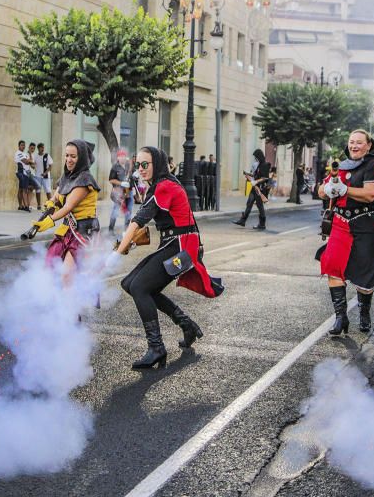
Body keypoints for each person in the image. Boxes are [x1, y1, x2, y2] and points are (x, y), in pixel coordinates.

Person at [114, 146, 223, 369]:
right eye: (139, 164)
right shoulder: (160, 184)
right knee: (130, 283)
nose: (141, 169)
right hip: (173, 243)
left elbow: (139, 220)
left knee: (140, 287)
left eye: (146, 164)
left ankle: (156, 348)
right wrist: (130, 242)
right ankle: (187, 325)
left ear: (157, 164)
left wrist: (116, 254)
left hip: (181, 248)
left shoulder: (164, 186)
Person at [317, 129, 374, 335]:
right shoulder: (340, 166)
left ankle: (364, 311)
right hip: (341, 223)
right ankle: (340, 318)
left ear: (368, 145)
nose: (354, 146)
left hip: (367, 225)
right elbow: (321, 190)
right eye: (351, 142)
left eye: (359, 142)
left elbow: (370, 194)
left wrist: (345, 190)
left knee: (365, 278)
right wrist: (329, 188)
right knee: (332, 265)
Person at [32, 139, 101, 286]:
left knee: (67, 275)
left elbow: (68, 207)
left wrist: (49, 220)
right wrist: (51, 203)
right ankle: (58, 304)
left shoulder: (85, 179)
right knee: (50, 268)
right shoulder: (67, 176)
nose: (69, 160)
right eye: (67, 155)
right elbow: (57, 197)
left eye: (73, 156)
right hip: (67, 229)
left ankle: (71, 308)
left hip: (82, 231)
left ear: (81, 158)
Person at [233, 149, 271, 230]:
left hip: (260, 189)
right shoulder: (259, 165)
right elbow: (256, 175)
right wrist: (248, 174)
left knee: (260, 206)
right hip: (254, 188)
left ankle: (262, 224)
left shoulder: (265, 165)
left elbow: (265, 178)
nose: (255, 158)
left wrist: (256, 181)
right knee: (249, 203)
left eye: (256, 157)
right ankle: (242, 221)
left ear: (259, 156)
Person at [108, 148, 134, 233]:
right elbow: (111, 180)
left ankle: (126, 230)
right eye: (121, 156)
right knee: (115, 211)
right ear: (118, 157)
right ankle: (111, 230)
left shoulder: (128, 165)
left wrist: (135, 177)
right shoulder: (115, 167)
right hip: (119, 193)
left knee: (129, 212)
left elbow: (132, 176)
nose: (122, 158)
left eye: (124, 156)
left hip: (129, 192)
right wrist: (121, 183)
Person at [15, 140, 31, 212]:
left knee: (21, 189)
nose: (23, 146)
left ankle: (20, 206)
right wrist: (30, 161)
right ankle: (26, 206)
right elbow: (25, 161)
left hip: (26, 173)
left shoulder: (25, 153)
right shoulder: (18, 153)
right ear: (19, 146)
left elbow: (29, 162)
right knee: (24, 189)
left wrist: (30, 161)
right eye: (21, 145)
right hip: (21, 172)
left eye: (24, 145)